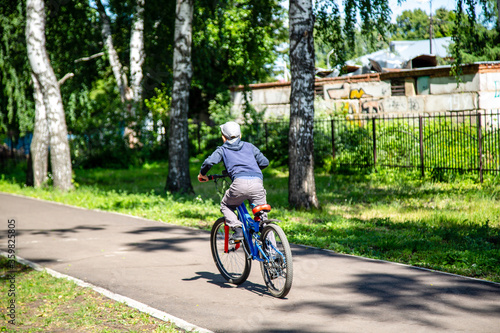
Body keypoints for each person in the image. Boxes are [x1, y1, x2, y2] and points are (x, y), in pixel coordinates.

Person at [198, 121, 269, 240]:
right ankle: (272, 253)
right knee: (263, 220)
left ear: (223, 137)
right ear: (240, 136)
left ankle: (237, 229)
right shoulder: (249, 146)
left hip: (239, 184)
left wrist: (202, 174)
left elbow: (209, 162)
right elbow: (264, 162)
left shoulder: (222, 149)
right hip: (257, 182)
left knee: (226, 205)